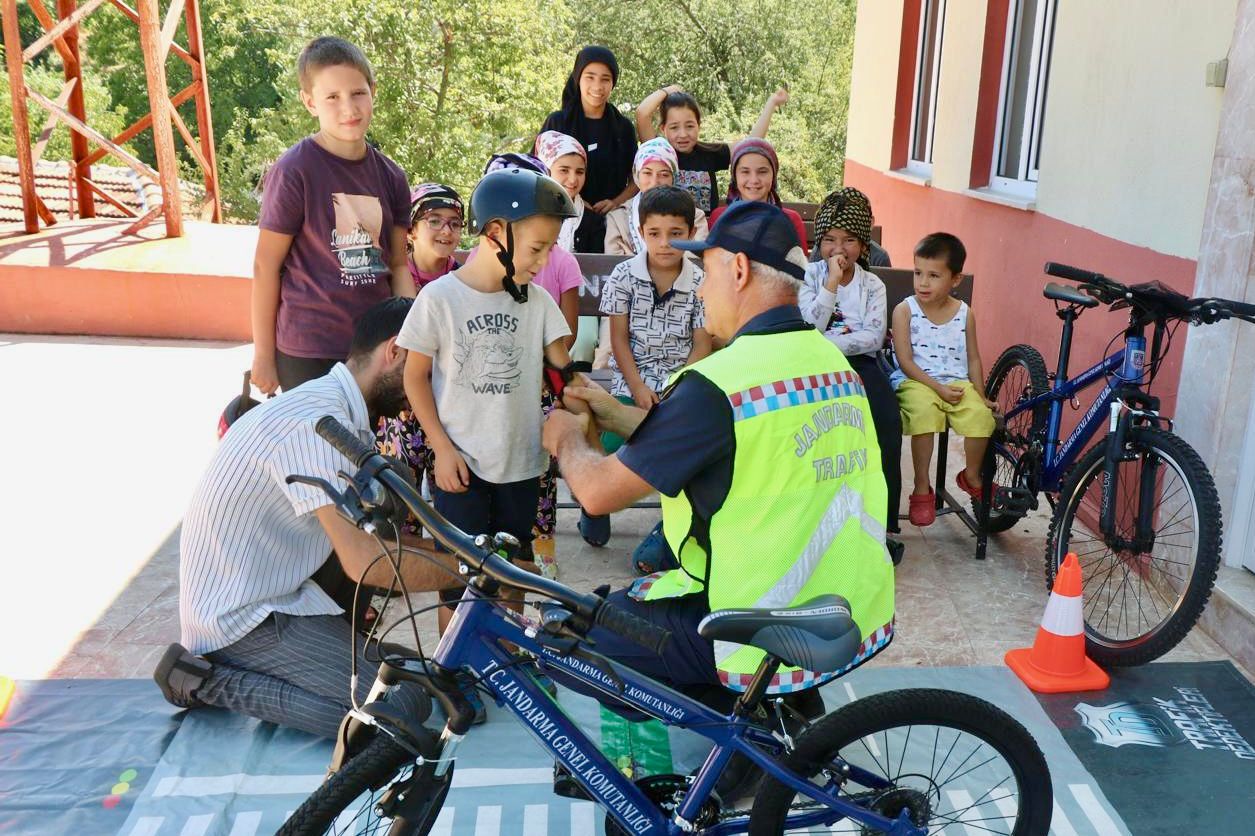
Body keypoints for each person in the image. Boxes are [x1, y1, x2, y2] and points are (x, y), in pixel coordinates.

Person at [544, 202, 894, 794]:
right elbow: (711, 443)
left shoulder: (720, 383)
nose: (700, 294)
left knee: (570, 636)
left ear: (736, 269)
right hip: (844, 598)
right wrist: (609, 411)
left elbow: (599, 494)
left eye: (702, 273)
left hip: (749, 615)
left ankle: (650, 781)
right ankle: (751, 733)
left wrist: (568, 443)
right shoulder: (830, 361)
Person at [157, 298, 476, 740]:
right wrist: (470, 568)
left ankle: (334, 640)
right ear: (396, 352)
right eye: (428, 369)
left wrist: (470, 552)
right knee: (396, 710)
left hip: (285, 590)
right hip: (239, 620)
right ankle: (205, 680)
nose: (432, 388)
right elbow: (368, 561)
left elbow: (380, 542)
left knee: (393, 484)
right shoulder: (316, 424)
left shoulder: (342, 411)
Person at [398, 168, 577, 652]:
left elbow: (563, 368)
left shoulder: (537, 301)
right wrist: (440, 447)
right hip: (461, 465)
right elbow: (414, 377)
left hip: (521, 463)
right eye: (536, 248)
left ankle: (505, 657)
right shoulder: (440, 299)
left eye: (549, 250)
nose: (543, 262)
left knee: (511, 566)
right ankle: (453, 665)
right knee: (457, 576)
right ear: (496, 233)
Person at [250, 36, 412, 396]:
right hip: (308, 348)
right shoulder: (295, 170)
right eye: (332, 97)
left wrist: (413, 336)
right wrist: (263, 354)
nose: (348, 108)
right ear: (310, 102)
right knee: (315, 452)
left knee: (367, 451)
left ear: (373, 91)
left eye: (357, 93)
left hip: (373, 350)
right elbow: (265, 266)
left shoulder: (392, 177)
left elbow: (399, 265)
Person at [582, 186, 713, 553]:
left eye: (676, 234)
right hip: (632, 378)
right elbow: (619, 340)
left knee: (692, 451)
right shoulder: (624, 276)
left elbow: (703, 344)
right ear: (641, 233)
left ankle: (670, 529)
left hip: (683, 381)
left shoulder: (701, 281)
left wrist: (676, 388)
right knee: (607, 439)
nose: (665, 243)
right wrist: (638, 387)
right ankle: (596, 506)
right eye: (654, 233)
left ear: (691, 233)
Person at [799, 187, 904, 564]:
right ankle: (815, 520)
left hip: (863, 366)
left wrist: (825, 342)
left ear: (863, 245)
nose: (837, 249)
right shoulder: (809, 277)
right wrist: (829, 284)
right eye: (829, 240)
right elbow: (808, 326)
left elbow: (873, 337)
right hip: (814, 367)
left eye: (848, 240)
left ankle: (886, 525)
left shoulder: (872, 284)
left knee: (886, 425)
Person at [374, 184, 466, 537]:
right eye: (434, 221)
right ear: (411, 230)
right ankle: (401, 550)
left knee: (456, 500)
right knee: (400, 481)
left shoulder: (466, 279)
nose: (446, 231)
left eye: (455, 223)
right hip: (404, 397)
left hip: (452, 394)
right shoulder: (392, 279)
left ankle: (452, 562)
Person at [893, 232, 996, 526]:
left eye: (934, 275)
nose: (923, 283)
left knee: (982, 417)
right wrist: (937, 388)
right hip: (916, 381)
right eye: (918, 273)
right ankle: (922, 487)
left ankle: (971, 475)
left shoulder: (965, 314)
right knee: (925, 414)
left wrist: (981, 393)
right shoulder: (905, 311)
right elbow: (905, 361)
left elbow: (973, 358)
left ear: (955, 279)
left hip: (956, 382)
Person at [538, 46, 638, 253]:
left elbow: (637, 177)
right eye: (590, 77)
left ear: (613, 83)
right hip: (559, 218)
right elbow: (537, 171)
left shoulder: (623, 128)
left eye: (605, 79)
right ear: (578, 78)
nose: (597, 86)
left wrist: (615, 203)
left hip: (609, 224)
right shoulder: (558, 122)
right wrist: (576, 202)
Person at [635, 86, 790, 214]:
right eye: (674, 127)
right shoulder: (660, 155)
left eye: (689, 126)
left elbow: (751, 145)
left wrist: (772, 103)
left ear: (698, 125)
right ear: (663, 129)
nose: (683, 134)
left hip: (707, 233)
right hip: (672, 233)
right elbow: (642, 113)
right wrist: (668, 90)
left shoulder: (710, 153)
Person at [604, 138, 709, 255]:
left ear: (674, 178)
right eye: (647, 173)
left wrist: (632, 257)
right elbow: (613, 263)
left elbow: (697, 260)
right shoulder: (618, 218)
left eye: (664, 174)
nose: (654, 182)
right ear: (637, 175)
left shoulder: (695, 217)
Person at [708, 137, 809, 256]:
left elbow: (800, 269)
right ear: (735, 175)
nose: (754, 180)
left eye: (762, 172)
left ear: (774, 174)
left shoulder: (790, 220)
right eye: (745, 172)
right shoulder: (719, 217)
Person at [535, 130, 590, 254]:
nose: (572, 180)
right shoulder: (527, 214)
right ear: (546, 171)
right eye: (564, 170)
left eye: (580, 172)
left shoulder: (593, 221)